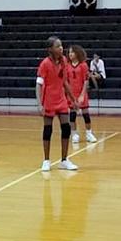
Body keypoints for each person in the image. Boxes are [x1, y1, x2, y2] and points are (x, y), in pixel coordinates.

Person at [36, 37, 78, 172]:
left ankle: (64, 160)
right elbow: (38, 85)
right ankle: (46, 160)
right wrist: (39, 104)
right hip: (48, 100)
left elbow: (64, 82)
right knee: (48, 130)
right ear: (50, 49)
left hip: (61, 100)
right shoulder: (44, 64)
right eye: (58, 46)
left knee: (66, 128)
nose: (61, 48)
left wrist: (73, 99)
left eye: (61, 45)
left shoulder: (64, 61)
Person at [66, 45, 98, 144]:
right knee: (72, 115)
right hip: (71, 94)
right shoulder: (67, 65)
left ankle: (89, 133)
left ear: (77, 53)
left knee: (85, 114)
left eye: (72, 52)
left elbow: (86, 81)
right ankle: (74, 134)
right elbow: (66, 81)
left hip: (81, 93)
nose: (70, 54)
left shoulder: (83, 65)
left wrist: (82, 95)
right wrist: (69, 94)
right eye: (69, 52)